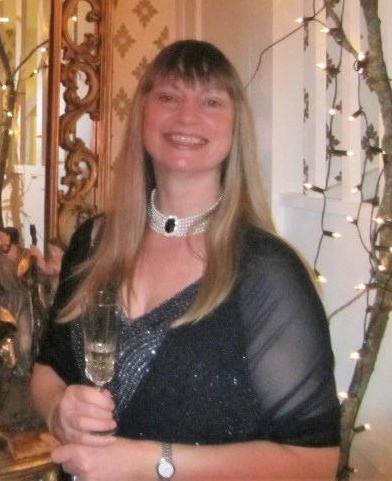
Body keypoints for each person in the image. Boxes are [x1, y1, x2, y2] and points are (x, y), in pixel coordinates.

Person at [30, 40, 341, 480]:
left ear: (236, 128)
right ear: (143, 114)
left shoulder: (268, 272)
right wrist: (58, 409)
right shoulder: (93, 241)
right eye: (169, 97)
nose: (187, 117)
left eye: (211, 101)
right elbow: (47, 369)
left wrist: (153, 463)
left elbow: (315, 463)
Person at [0, 225, 42, 373]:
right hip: (6, 306)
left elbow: (39, 277)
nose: (0, 241)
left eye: (1, 236)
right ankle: (14, 376)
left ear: (8, 236)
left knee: (25, 344)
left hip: (25, 302)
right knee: (7, 345)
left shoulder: (27, 255)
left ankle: (24, 374)